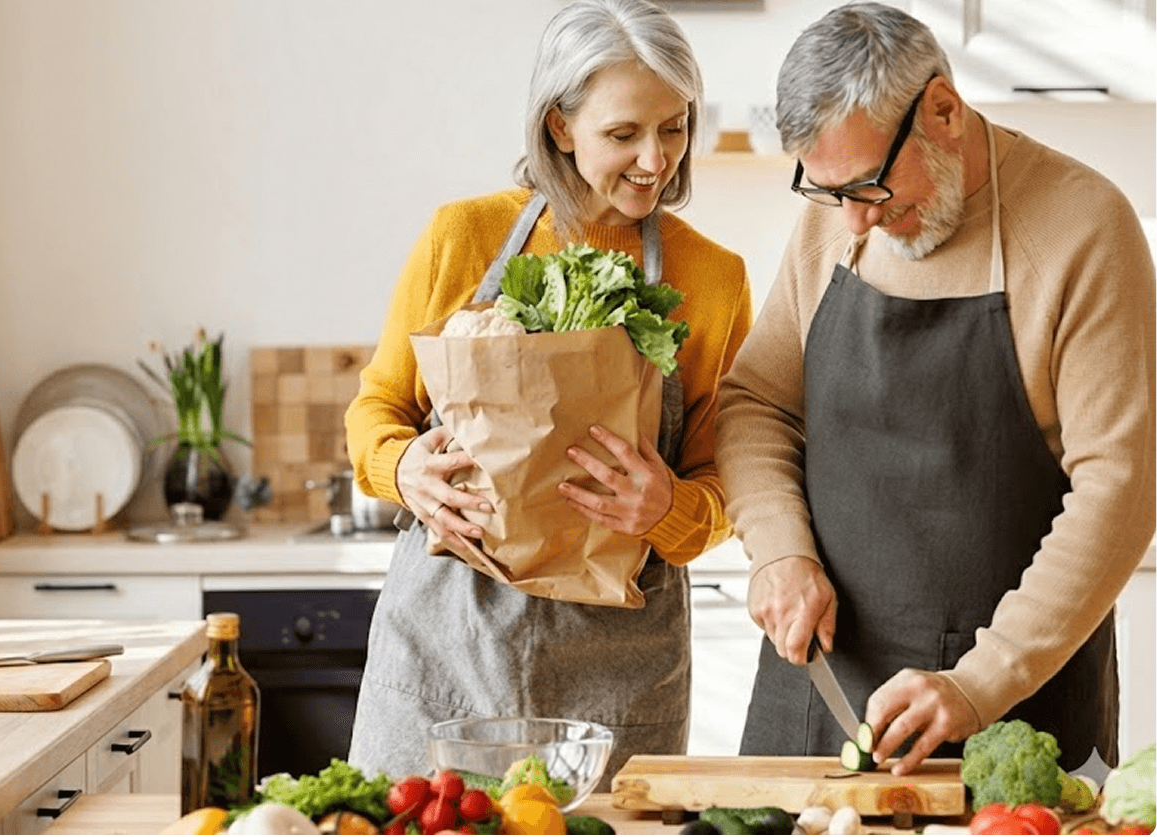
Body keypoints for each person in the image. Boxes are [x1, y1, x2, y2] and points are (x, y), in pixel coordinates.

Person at [717, 2, 1157, 776]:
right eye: (828, 192)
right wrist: (777, 550)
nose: (852, 219)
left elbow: (1120, 488)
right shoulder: (835, 223)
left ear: (942, 111)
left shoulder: (1085, 228)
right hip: (816, 696)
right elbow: (757, 404)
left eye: (869, 187)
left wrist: (978, 683)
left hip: (1013, 716)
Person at [344, 0, 752, 785]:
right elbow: (376, 406)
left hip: (621, 664)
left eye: (673, 127)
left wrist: (665, 508)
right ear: (559, 128)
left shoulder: (713, 277)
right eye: (623, 133)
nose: (655, 159)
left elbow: (726, 481)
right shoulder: (460, 237)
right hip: (444, 640)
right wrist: (403, 471)